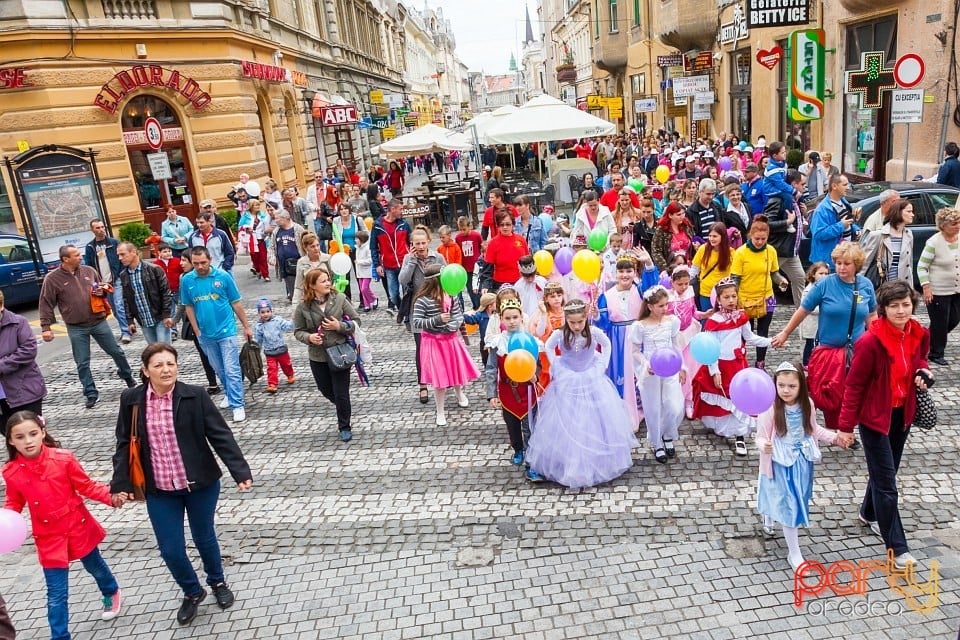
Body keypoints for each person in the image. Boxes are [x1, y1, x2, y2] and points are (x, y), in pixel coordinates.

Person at [111, 343, 252, 625]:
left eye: (170, 364)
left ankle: (217, 582)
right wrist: (119, 483)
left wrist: (239, 471)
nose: (166, 370)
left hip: (200, 483)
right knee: (170, 549)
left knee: (204, 537)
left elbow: (220, 435)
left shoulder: (195, 395)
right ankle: (192, 591)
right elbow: (124, 443)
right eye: (158, 365)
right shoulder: (132, 399)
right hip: (160, 489)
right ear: (145, 370)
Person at [4, 412, 124, 639]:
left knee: (95, 566)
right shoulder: (11, 472)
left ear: (42, 433)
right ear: (11, 440)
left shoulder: (63, 458)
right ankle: (60, 636)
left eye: (32, 434)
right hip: (48, 535)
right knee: (56, 593)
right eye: (20, 437)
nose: (28, 441)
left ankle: (111, 590)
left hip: (77, 525)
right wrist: (6, 520)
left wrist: (111, 497)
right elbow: (14, 501)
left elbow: (86, 486)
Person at [838, 280, 932, 568]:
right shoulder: (871, 342)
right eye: (894, 306)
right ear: (884, 309)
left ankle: (869, 513)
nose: (901, 311)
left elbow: (922, 360)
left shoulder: (919, 333)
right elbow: (853, 386)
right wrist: (845, 427)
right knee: (887, 484)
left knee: (884, 474)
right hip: (874, 418)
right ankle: (898, 548)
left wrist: (924, 373)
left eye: (905, 305)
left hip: (901, 414)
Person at [526, 299, 637, 488]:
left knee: (594, 420)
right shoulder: (560, 334)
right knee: (569, 420)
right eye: (572, 322)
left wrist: (601, 364)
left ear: (585, 318)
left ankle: (598, 460)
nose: (577, 326)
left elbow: (607, 344)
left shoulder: (593, 332)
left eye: (580, 322)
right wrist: (557, 365)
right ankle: (567, 462)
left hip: (590, 376)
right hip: (568, 378)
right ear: (566, 320)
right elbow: (549, 347)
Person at [756, 363, 852, 570]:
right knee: (789, 505)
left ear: (801, 386)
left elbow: (814, 429)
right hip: (780, 464)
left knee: (792, 499)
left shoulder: (807, 404)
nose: (786, 390)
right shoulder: (770, 408)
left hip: (801, 462)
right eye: (781, 385)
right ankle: (794, 553)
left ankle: (769, 516)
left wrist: (835, 438)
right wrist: (764, 445)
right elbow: (760, 437)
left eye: (791, 386)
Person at [771, 242, 877, 429]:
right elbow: (803, 310)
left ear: (857, 265)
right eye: (838, 263)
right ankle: (834, 429)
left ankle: (847, 429)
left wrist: (877, 340)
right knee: (830, 394)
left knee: (854, 392)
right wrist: (785, 332)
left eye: (847, 263)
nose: (842, 267)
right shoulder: (825, 284)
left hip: (857, 351)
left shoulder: (866, 285)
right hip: (829, 352)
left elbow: (871, 316)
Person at [39, 245, 136, 408]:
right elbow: (46, 303)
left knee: (116, 351)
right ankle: (90, 393)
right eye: (76, 255)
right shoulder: (52, 278)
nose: (80, 257)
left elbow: (101, 288)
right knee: (82, 362)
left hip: (98, 321)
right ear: (65, 259)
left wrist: (102, 292)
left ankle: (127, 376)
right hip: (76, 326)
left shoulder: (89, 271)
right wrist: (45, 327)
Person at [692, 279, 773, 456]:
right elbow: (710, 348)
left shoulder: (741, 317)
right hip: (721, 365)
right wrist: (715, 371)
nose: (731, 300)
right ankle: (725, 428)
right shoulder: (713, 321)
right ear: (718, 299)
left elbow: (750, 337)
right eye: (726, 297)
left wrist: (771, 341)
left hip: (737, 365)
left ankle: (739, 436)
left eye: (734, 296)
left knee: (739, 399)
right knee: (724, 398)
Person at [180, 247, 253, 423]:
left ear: (210, 259)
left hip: (226, 330)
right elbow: (188, 306)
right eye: (195, 263)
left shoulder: (223, 277)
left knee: (231, 368)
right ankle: (229, 392)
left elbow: (236, 303)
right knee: (219, 369)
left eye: (203, 262)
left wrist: (246, 326)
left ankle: (238, 404)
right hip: (205, 334)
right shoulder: (187, 280)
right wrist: (196, 330)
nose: (199, 266)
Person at [293, 268, 361, 442]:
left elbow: (356, 321)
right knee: (325, 389)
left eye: (328, 279)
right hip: (318, 356)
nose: (328, 283)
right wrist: (309, 337)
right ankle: (343, 407)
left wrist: (340, 326)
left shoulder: (339, 299)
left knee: (341, 392)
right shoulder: (303, 307)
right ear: (312, 285)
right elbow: (298, 331)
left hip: (340, 352)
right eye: (323, 281)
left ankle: (344, 425)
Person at [594, 253, 659, 429]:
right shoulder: (606, 296)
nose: (625, 275)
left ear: (634, 272)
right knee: (621, 374)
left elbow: (654, 288)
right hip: (617, 340)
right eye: (621, 271)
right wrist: (596, 316)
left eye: (629, 271)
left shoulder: (640, 290)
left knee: (639, 373)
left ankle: (642, 409)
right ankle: (623, 411)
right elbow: (603, 324)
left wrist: (648, 262)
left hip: (638, 338)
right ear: (615, 273)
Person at [411, 264, 478, 426]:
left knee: (455, 370)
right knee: (440, 378)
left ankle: (459, 392)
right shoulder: (422, 300)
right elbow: (417, 322)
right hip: (434, 342)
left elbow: (458, 316)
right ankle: (440, 411)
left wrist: (452, 326)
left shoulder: (451, 295)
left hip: (450, 340)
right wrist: (438, 320)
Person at [485, 297, 543, 482]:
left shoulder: (529, 340)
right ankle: (517, 448)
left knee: (530, 429)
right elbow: (492, 368)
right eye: (507, 318)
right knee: (512, 426)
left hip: (527, 391)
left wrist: (536, 374)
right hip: (508, 393)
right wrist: (491, 394)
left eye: (515, 317)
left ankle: (531, 463)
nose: (511, 322)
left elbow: (538, 364)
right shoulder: (497, 343)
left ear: (521, 318)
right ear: (501, 319)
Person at [629, 286, 686, 463]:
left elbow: (677, 345)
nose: (665, 309)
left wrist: (682, 366)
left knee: (674, 406)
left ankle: (668, 434)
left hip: (670, 367)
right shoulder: (640, 326)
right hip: (651, 370)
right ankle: (657, 442)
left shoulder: (672, 321)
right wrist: (646, 365)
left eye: (666, 304)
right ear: (650, 306)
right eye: (660, 306)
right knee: (653, 407)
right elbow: (635, 351)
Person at [731, 216, 788, 369]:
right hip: (745, 298)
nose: (760, 242)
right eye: (757, 238)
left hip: (766, 297)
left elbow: (774, 273)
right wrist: (733, 299)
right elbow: (735, 278)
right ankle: (741, 362)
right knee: (744, 333)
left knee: (763, 332)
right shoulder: (741, 253)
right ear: (750, 235)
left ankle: (760, 362)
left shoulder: (771, 251)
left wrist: (781, 280)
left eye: (763, 239)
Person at [400, 227, 446, 399]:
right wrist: (412, 261)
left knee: (441, 346)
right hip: (417, 309)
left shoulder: (438, 257)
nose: (420, 246)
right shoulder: (408, 258)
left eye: (422, 243)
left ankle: (442, 379)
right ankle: (423, 384)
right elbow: (402, 280)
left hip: (437, 306)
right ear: (412, 244)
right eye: (416, 243)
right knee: (421, 349)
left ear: (428, 242)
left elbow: (447, 277)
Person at [917, 207, 960, 366]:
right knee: (940, 322)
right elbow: (922, 266)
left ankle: (928, 338)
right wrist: (926, 287)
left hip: (957, 289)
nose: (957, 226)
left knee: (954, 319)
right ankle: (936, 353)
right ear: (943, 225)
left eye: (959, 222)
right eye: (953, 223)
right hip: (938, 290)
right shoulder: (934, 242)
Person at [172, 254, 220, 394]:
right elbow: (183, 302)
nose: (181, 263)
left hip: (212, 319)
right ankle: (212, 382)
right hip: (195, 323)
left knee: (219, 351)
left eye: (184, 260)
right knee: (203, 353)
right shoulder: (185, 279)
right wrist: (175, 320)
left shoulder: (211, 275)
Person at [116, 242, 174, 344]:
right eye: (118, 255)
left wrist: (166, 314)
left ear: (133, 252)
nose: (120, 258)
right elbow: (126, 299)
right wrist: (130, 321)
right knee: (153, 354)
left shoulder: (154, 269)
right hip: (143, 320)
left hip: (160, 317)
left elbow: (165, 292)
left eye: (123, 254)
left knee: (164, 351)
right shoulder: (124, 275)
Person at [84, 219, 131, 343]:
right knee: (114, 308)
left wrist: (121, 275)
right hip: (102, 282)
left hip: (116, 279)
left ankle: (125, 332)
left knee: (119, 305)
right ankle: (128, 323)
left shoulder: (114, 243)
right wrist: (93, 282)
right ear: (92, 230)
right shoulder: (90, 247)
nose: (101, 230)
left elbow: (122, 259)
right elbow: (89, 266)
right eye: (97, 228)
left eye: (102, 227)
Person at [667, 265, 701, 418]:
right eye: (680, 284)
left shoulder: (690, 293)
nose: (683, 287)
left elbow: (694, 312)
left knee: (691, 369)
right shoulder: (666, 296)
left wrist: (705, 314)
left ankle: (689, 399)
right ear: (672, 282)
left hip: (690, 334)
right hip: (674, 337)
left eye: (686, 283)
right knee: (676, 370)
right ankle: (676, 400)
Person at [809, 174, 860, 269]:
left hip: (843, 259)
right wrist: (841, 226)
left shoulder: (844, 202)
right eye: (844, 185)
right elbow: (818, 233)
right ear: (834, 186)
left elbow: (848, 223)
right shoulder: (822, 209)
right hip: (827, 263)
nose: (848, 188)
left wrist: (856, 230)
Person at [860, 199, 914, 286]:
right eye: (909, 211)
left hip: (902, 288)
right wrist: (857, 287)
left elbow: (909, 266)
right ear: (898, 212)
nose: (912, 214)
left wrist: (910, 290)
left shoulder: (909, 235)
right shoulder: (878, 235)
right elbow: (864, 264)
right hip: (884, 288)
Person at [371, 198, 412, 314]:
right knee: (393, 295)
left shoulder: (404, 224)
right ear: (392, 209)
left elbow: (411, 241)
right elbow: (373, 247)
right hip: (389, 266)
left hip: (404, 263)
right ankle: (402, 311)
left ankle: (407, 317)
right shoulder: (377, 225)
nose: (402, 211)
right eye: (400, 209)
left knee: (407, 293)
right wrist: (377, 265)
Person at [253, 298, 295, 393]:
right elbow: (258, 339)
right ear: (259, 313)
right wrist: (257, 349)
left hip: (281, 349)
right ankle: (272, 384)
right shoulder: (259, 326)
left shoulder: (278, 320)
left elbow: (287, 326)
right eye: (262, 312)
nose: (265, 314)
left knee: (286, 365)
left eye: (268, 311)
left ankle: (290, 374)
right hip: (269, 352)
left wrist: (294, 321)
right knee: (272, 368)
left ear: (271, 311)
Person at [481, 211, 529, 293]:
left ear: (513, 225)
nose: (505, 227)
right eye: (502, 224)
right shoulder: (493, 243)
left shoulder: (521, 240)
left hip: (521, 283)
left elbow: (527, 263)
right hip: (500, 285)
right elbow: (488, 269)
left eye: (508, 224)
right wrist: (486, 285)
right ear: (498, 226)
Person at [690, 222, 733, 311]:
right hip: (706, 291)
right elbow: (695, 269)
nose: (711, 239)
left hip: (723, 292)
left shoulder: (731, 253)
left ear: (723, 237)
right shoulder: (703, 249)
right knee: (706, 319)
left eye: (715, 236)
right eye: (710, 236)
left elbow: (734, 273)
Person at [270, 210, 305, 302]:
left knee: (301, 287)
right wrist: (272, 256)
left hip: (298, 263)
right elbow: (272, 246)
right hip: (284, 266)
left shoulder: (298, 229)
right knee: (292, 288)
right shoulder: (276, 231)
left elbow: (306, 243)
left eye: (277, 218)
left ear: (285, 218)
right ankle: (294, 300)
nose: (275, 220)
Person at [799, 262, 830, 367]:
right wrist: (825, 307)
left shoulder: (825, 287)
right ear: (813, 274)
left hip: (820, 324)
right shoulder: (809, 290)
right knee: (810, 344)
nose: (824, 276)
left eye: (826, 274)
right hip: (811, 324)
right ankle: (806, 363)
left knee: (817, 344)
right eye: (821, 273)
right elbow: (808, 306)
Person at [652, 202, 695, 272]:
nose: (682, 216)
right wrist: (666, 269)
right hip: (670, 268)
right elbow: (656, 252)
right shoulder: (661, 230)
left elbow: (692, 244)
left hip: (688, 266)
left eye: (683, 213)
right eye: (678, 215)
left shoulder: (687, 226)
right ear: (670, 215)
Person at [292, 232, 333, 304]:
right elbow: (298, 286)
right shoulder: (301, 262)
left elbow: (334, 279)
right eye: (312, 246)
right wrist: (295, 303)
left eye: (317, 245)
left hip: (327, 298)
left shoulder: (327, 259)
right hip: (310, 299)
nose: (316, 248)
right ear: (305, 248)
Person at [455, 216, 483, 310]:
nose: (462, 232)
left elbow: (481, 247)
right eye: (460, 230)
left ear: (469, 226)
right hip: (465, 267)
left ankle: (480, 306)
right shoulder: (458, 238)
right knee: (470, 289)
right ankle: (475, 306)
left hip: (476, 267)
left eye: (464, 229)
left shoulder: (476, 236)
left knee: (478, 288)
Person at [354, 228, 377, 312]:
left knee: (364, 288)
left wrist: (359, 262)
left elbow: (370, 260)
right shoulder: (357, 248)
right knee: (362, 289)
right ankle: (367, 305)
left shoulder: (367, 248)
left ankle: (374, 298)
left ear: (361, 240)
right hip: (359, 272)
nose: (355, 240)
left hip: (367, 271)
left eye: (357, 239)